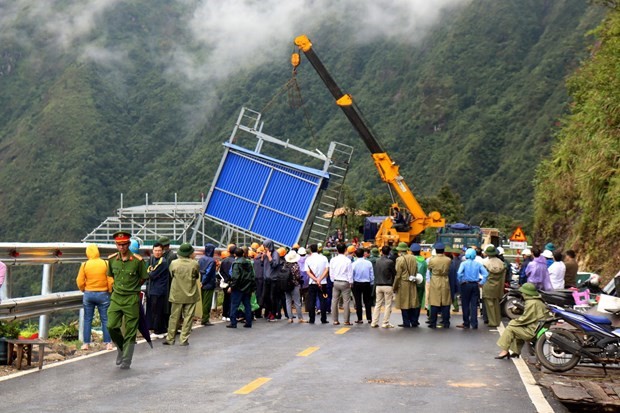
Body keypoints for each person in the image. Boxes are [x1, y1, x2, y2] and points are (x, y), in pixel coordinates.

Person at [107, 231, 149, 369]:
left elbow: (143, 277)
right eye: (119, 245)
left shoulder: (137, 261)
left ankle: (126, 359)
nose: (121, 247)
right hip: (117, 298)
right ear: (116, 245)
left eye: (124, 244)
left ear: (129, 244)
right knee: (111, 326)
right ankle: (120, 347)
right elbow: (111, 275)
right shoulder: (112, 260)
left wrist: (133, 287)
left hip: (131, 298)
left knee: (131, 331)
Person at [76, 244, 114, 350]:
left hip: (89, 294)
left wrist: (84, 289)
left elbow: (79, 281)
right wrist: (109, 290)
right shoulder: (105, 263)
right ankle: (108, 343)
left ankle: (86, 343)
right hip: (103, 294)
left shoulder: (85, 265)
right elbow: (110, 280)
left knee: (87, 319)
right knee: (105, 319)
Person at [495, 283, 548, 359]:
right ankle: (515, 351)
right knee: (517, 328)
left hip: (534, 331)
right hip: (539, 328)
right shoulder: (537, 301)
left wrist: (514, 322)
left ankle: (504, 351)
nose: (522, 294)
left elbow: (526, 318)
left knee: (511, 327)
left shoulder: (531, 303)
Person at [163, 243, 200, 345]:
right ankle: (183, 340)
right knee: (188, 317)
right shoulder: (194, 264)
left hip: (176, 294)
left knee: (174, 317)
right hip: (191, 294)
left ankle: (170, 338)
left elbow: (171, 274)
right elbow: (196, 276)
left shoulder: (174, 263)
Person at [456, 248, 488, 329]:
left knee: (465, 304)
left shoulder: (463, 264)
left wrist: (461, 281)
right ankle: (474, 323)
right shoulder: (478, 264)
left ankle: (466, 323)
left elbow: (459, 273)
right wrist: (481, 283)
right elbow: (486, 274)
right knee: (474, 305)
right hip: (475, 285)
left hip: (465, 285)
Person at [226, 247, 257, 328]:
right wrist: (253, 287)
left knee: (234, 305)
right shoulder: (249, 263)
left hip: (238, 288)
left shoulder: (236, 264)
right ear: (243, 254)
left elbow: (235, 277)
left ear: (235, 254)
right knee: (247, 305)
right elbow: (252, 276)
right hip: (247, 288)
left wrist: (232, 287)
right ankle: (248, 322)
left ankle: (233, 322)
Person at [392, 242, 420, 328]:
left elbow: (398, 275)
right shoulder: (413, 258)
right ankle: (414, 321)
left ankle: (406, 322)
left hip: (403, 283)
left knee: (404, 303)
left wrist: (394, 286)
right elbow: (416, 270)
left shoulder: (399, 259)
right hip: (412, 282)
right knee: (413, 302)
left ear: (400, 250)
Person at [146, 243, 170, 337]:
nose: (157, 252)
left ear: (162, 251)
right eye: (156, 250)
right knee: (155, 310)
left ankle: (158, 331)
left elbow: (152, 274)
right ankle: (161, 329)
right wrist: (150, 270)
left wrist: (150, 270)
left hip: (158, 290)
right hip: (153, 289)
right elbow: (147, 269)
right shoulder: (152, 259)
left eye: (159, 250)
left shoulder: (163, 262)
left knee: (157, 310)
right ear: (153, 251)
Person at [427, 242, 452, 329]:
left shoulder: (432, 260)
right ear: (443, 250)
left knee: (434, 302)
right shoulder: (448, 260)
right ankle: (446, 322)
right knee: (445, 302)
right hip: (445, 279)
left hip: (435, 280)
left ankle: (433, 322)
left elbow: (429, 268)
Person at [371, 246, 397, 328]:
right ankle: (385, 322)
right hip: (387, 285)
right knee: (388, 304)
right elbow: (394, 273)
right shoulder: (390, 262)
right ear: (389, 252)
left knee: (378, 304)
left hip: (378, 285)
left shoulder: (377, 261)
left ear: (381, 252)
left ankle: (374, 322)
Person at [330, 243, 353, 325]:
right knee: (346, 302)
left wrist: (333, 280)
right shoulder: (348, 260)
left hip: (336, 281)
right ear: (345, 250)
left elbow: (331, 272)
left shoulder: (333, 260)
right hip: (345, 282)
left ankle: (335, 320)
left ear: (337, 250)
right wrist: (351, 282)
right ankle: (346, 320)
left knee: (334, 301)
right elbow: (350, 273)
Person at [305, 244, 329, 324]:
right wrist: (320, 279)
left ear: (311, 250)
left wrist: (315, 279)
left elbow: (307, 272)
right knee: (323, 300)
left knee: (312, 301)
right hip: (323, 283)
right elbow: (326, 269)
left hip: (312, 283)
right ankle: (323, 319)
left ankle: (312, 319)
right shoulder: (324, 258)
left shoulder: (308, 259)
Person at [482, 245, 505, 328]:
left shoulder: (486, 263)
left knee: (489, 304)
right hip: (498, 285)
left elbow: (483, 275)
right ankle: (497, 320)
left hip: (488, 284)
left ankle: (492, 321)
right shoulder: (501, 263)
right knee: (496, 303)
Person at [352, 248, 374, 324]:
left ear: (355, 254)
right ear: (363, 254)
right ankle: (369, 318)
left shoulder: (354, 264)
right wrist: (371, 282)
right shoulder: (369, 263)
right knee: (367, 301)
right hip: (367, 283)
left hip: (357, 283)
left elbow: (352, 275)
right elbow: (371, 274)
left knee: (358, 301)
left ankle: (360, 319)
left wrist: (352, 283)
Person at [283, 250, 306, 323]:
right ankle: (300, 318)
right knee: (297, 302)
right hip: (295, 285)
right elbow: (298, 276)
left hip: (286, 285)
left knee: (288, 301)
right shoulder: (296, 265)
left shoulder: (285, 265)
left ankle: (290, 318)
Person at [261, 239, 281, 321]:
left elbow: (275, 264)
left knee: (272, 297)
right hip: (266, 278)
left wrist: (269, 257)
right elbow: (264, 266)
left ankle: (273, 313)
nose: (265, 248)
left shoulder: (275, 254)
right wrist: (263, 258)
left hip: (273, 279)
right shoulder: (266, 254)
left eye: (266, 246)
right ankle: (268, 311)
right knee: (265, 296)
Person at [198, 243, 217, 326]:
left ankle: (202, 317)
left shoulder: (201, 259)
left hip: (200, 282)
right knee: (207, 302)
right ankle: (205, 319)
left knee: (202, 301)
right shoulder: (212, 261)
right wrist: (204, 281)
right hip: (208, 283)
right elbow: (208, 273)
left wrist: (200, 281)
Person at [219, 244, 236, 321]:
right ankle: (229, 315)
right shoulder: (235, 262)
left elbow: (220, 271)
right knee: (232, 299)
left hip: (225, 282)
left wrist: (225, 279)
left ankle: (224, 314)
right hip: (232, 282)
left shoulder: (224, 261)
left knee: (225, 298)